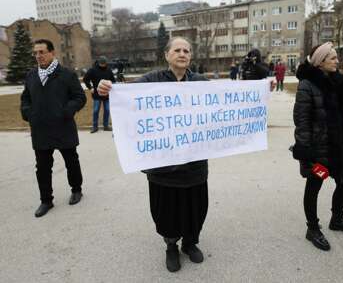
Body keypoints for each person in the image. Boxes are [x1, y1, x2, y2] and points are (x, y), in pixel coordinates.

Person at [97, 37, 209, 273]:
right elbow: (124, 96)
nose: (182, 53)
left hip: (194, 164)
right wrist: (107, 89)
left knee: (195, 207)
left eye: (186, 50)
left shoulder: (200, 82)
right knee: (166, 210)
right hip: (163, 167)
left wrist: (261, 90)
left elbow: (225, 103)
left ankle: (190, 243)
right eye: (177, 50)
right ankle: (171, 246)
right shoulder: (150, 81)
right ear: (167, 55)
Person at [292, 42, 343, 251]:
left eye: (336, 57)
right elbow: (301, 120)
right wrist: (305, 151)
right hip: (318, 151)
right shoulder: (307, 85)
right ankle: (312, 228)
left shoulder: (339, 81)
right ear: (321, 62)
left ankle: (337, 219)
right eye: (332, 58)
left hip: (340, 147)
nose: (337, 61)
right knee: (315, 185)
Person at [20, 39, 87, 217]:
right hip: (40, 129)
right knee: (42, 167)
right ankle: (46, 200)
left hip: (63, 127)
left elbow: (80, 97)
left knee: (71, 161)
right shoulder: (32, 75)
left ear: (52, 53)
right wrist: (28, 113)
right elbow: (25, 98)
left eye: (42, 52)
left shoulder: (66, 74)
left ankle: (76, 189)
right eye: (35, 53)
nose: (38, 56)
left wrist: (66, 111)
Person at [83, 56, 116, 133]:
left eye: (104, 64)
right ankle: (95, 127)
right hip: (96, 94)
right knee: (96, 110)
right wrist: (90, 87)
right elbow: (85, 79)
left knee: (107, 110)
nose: (103, 65)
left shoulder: (108, 70)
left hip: (107, 94)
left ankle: (106, 126)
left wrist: (112, 86)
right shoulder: (93, 70)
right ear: (99, 63)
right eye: (102, 64)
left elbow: (113, 80)